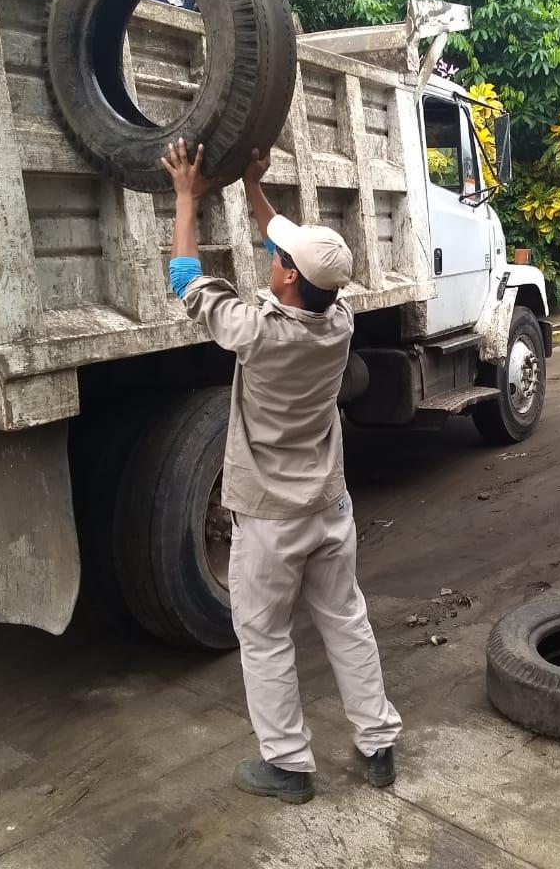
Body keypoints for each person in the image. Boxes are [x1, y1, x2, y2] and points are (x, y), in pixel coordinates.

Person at [161, 138, 402, 804]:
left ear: (288, 278)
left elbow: (184, 279)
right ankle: (377, 746)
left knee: (264, 637)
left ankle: (289, 766)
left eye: (278, 258)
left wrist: (185, 196)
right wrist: (252, 189)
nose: (272, 255)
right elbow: (292, 251)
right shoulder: (339, 322)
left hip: (269, 518)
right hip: (328, 508)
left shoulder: (256, 332)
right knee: (345, 618)